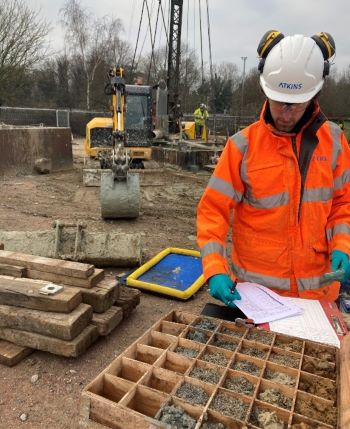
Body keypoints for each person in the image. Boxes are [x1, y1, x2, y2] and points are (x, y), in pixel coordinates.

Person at [197, 31, 350, 308]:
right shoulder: (242, 147)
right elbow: (212, 211)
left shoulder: (335, 143)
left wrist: (343, 245)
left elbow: (343, 203)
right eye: (279, 101)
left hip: (318, 297)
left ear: (313, 94)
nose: (286, 113)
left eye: (295, 104)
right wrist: (215, 268)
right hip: (259, 299)